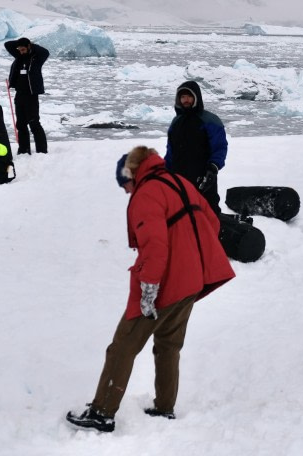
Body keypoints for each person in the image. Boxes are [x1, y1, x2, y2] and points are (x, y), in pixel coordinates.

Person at [66, 146, 235, 433]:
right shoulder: (179, 182)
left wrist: (148, 291)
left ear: (132, 174)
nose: (126, 192)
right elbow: (213, 221)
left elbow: (155, 248)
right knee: (169, 345)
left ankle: (102, 413)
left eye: (125, 184)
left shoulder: (147, 193)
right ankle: (164, 408)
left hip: (164, 285)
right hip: (191, 282)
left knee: (122, 348)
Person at [164, 80, 228, 215]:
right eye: (182, 97)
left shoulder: (210, 120)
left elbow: (220, 147)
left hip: (203, 178)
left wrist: (213, 167)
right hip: (178, 177)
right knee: (180, 213)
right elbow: (171, 150)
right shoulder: (176, 122)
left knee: (208, 212)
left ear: (196, 97)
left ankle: (215, 235)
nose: (185, 100)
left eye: (189, 96)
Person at [5, 37, 49, 154]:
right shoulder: (19, 56)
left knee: (34, 123)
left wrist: (30, 45)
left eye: (23, 49)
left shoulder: (37, 58)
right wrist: (20, 44)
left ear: (29, 47)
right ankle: (24, 150)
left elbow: (46, 52)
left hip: (31, 95)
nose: (21, 51)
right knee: (21, 124)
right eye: (19, 49)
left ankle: (41, 150)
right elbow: (7, 44)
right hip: (19, 94)